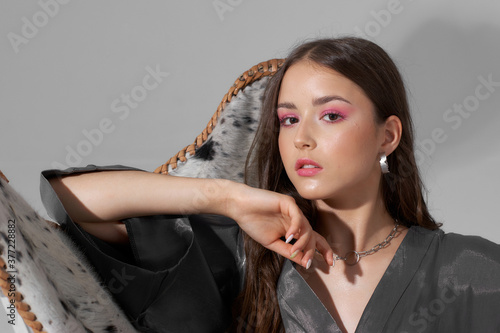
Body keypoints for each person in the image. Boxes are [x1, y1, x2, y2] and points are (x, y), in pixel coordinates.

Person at [41, 37, 500, 333]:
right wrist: (230, 197)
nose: (301, 137)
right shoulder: (243, 255)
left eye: (331, 115)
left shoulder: (472, 270)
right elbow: (73, 200)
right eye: (287, 119)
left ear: (388, 135)